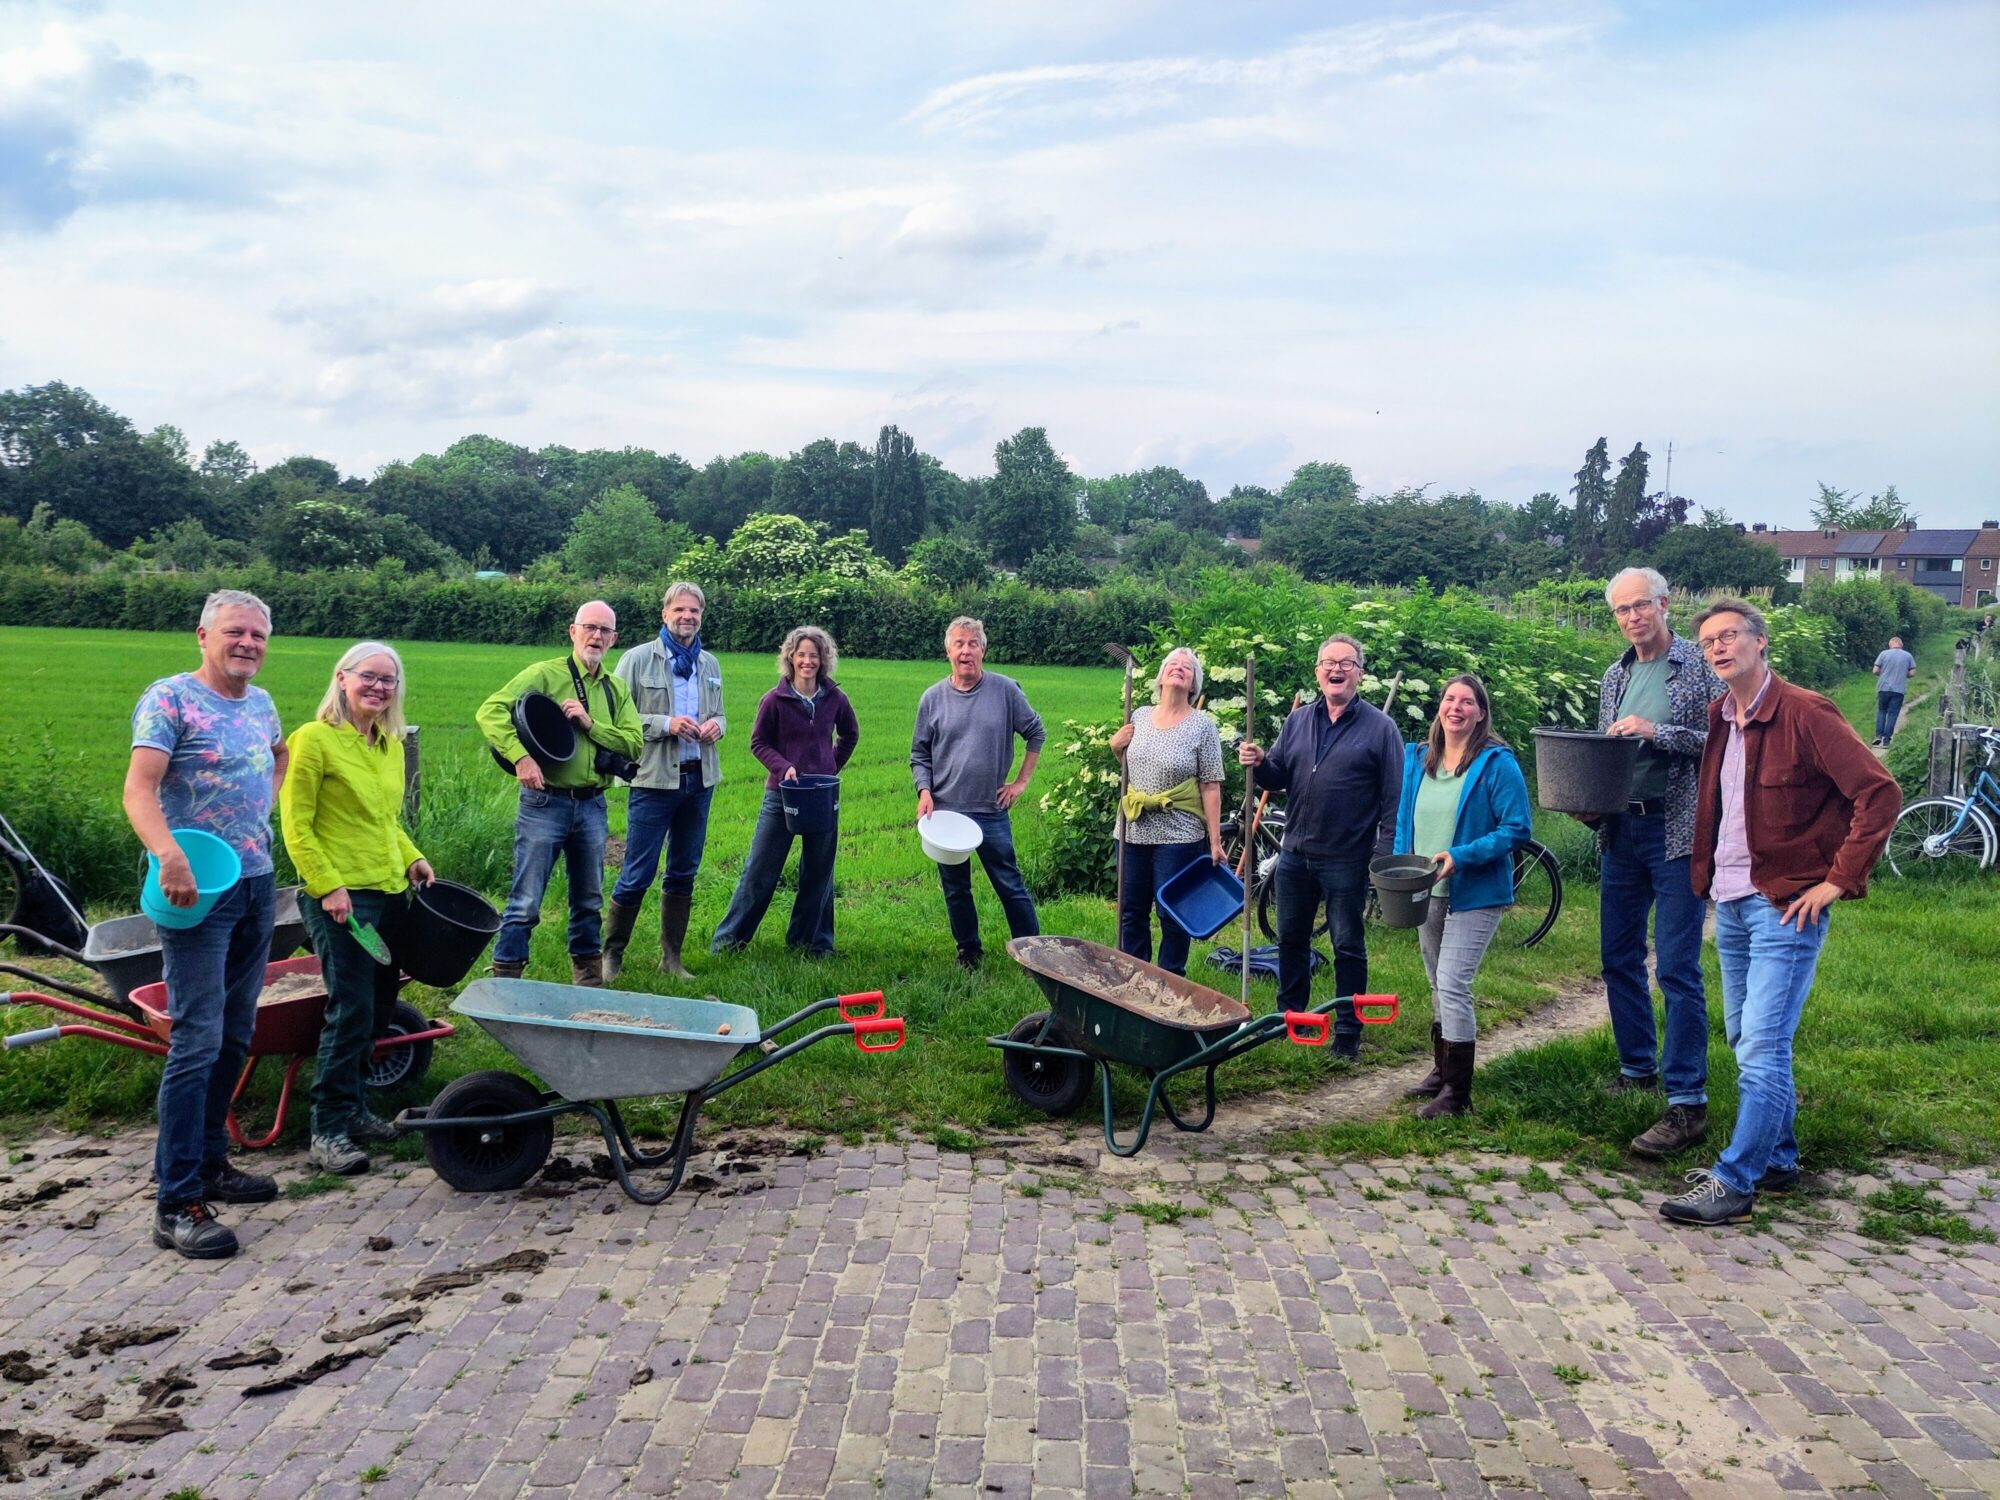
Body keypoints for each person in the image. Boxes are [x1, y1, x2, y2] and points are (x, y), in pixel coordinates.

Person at [1662, 599, 1900, 1226]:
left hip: (1785, 905)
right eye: (1709, 640)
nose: (1718, 647)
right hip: (1733, 900)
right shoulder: (1721, 715)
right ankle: (1779, 1161)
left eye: (1731, 635)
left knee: (1763, 1044)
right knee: (1745, 1038)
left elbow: (1879, 793)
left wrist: (1838, 881)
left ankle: (1735, 1182)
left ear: (1761, 643)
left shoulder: (1805, 712)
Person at [123, 590, 287, 1259]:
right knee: (197, 1036)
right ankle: (176, 1201)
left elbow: (277, 756)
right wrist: (170, 855)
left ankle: (213, 1162)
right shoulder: (170, 700)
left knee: (237, 1030)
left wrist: (260, 812)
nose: (247, 643)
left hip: (254, 882)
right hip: (195, 889)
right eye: (234, 632)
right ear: (203, 635)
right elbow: (138, 789)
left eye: (257, 634)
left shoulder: (262, 702)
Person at [280, 643, 435, 1176]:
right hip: (344, 902)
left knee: (378, 1005)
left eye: (388, 680)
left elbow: (386, 820)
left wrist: (413, 858)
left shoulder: (387, 744)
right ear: (342, 679)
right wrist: (327, 887)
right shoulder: (314, 741)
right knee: (349, 1010)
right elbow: (295, 825)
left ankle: (357, 1110)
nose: (379, 687)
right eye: (368, 677)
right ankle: (326, 1128)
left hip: (389, 896)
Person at [1590, 567, 1724, 1160]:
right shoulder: (1614, 675)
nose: (1631, 618)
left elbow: (1721, 742)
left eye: (1640, 606)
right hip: (1623, 829)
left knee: (1675, 967)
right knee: (1617, 957)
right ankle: (1636, 1066)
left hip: (1677, 831)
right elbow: (1605, 755)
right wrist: (1588, 797)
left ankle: (1687, 1100)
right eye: (1621, 610)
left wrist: (1656, 731)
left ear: (1665, 604)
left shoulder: (1698, 666)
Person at [1237, 634, 1402, 1060]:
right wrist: (1259, 762)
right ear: (1317, 673)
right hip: (1295, 855)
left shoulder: (1381, 730)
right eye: (1329, 663)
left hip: (1346, 859)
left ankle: (1348, 1033)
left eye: (1346, 664)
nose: (1337, 670)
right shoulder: (1298, 722)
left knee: (1348, 944)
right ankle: (1290, 1021)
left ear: (1360, 674)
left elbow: (1393, 800)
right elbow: (1277, 776)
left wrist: (1383, 852)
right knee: (1291, 940)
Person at [477, 601, 645, 987]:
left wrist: (591, 724)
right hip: (544, 803)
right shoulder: (544, 675)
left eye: (605, 631)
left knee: (588, 901)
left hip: (592, 805)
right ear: (573, 631)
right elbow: (490, 712)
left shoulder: (615, 689)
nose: (597, 636)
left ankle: (587, 985)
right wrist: (520, 758)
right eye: (590, 628)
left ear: (614, 639)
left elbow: (634, 744)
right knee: (526, 902)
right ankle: (507, 982)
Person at [1392, 675, 1533, 1117]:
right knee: (1437, 979)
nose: (1456, 707)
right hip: (1426, 890)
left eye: (1467, 702)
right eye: (1450, 699)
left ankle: (1457, 1094)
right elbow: (1403, 821)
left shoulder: (1495, 763)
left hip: (1475, 891)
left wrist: (1461, 855)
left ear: (1481, 713)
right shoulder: (1418, 758)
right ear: (1440, 707)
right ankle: (1440, 1070)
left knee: (1454, 982)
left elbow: (1517, 828)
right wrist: (1400, 868)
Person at [711, 626, 859, 958]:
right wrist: (783, 767)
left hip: (822, 796)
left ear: (823, 661)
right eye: (802, 655)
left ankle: (812, 944)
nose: (808, 661)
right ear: (790, 658)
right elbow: (758, 743)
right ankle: (728, 943)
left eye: (814, 656)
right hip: (781, 795)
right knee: (760, 870)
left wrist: (829, 767)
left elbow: (850, 734)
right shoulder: (774, 699)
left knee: (819, 872)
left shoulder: (835, 697)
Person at [605, 582, 726, 981]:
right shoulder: (638, 660)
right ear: (665, 614)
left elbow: (721, 716)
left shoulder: (708, 663)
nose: (687, 617)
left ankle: (671, 959)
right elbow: (615, 721)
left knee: (683, 871)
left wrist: (715, 728)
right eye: (680, 610)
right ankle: (612, 956)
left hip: (698, 781)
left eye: (694, 611)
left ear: (701, 617)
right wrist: (665, 724)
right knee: (637, 871)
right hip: (654, 782)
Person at [911, 616, 1045, 970]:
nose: (966, 650)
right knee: (956, 889)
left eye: (973, 643)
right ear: (948, 650)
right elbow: (919, 754)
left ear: (983, 649)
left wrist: (1021, 783)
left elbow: (1036, 733)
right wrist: (924, 791)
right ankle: (968, 951)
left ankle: (1033, 953)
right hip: (945, 814)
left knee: (1009, 884)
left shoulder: (1005, 691)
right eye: (959, 643)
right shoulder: (932, 698)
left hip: (990, 810)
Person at [1109, 647, 1225, 976]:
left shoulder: (1202, 727)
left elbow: (1211, 784)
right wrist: (1117, 749)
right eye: (1171, 665)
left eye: (1186, 667)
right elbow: (1133, 770)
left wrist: (1215, 841)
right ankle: (1133, 977)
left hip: (1179, 834)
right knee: (1130, 910)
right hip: (1133, 827)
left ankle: (1171, 979)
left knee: (1171, 912)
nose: (1178, 669)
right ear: (1160, 678)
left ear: (1193, 685)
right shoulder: (1139, 716)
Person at [1870, 635, 1915, 747]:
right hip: (1898, 689)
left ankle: (1878, 736)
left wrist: (1884, 674)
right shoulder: (1908, 656)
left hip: (1883, 688)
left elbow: (1875, 670)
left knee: (1882, 711)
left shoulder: (1883, 654)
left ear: (1891, 644)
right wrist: (1904, 675)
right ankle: (1887, 739)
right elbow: (1913, 673)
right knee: (1893, 714)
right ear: (1901, 644)